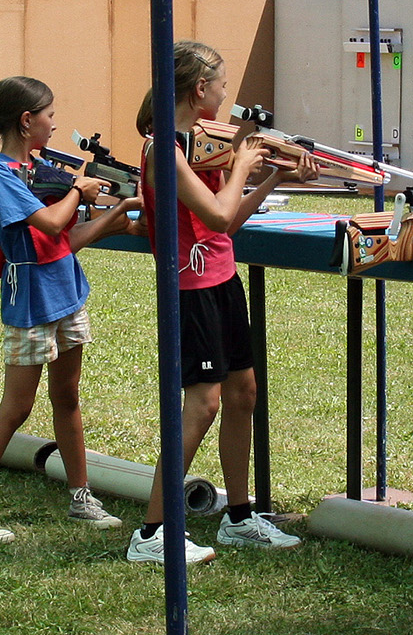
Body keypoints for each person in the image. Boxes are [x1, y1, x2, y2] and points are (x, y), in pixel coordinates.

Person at [128, 40, 312, 567]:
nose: (227, 95)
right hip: (191, 289)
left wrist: (273, 175)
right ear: (199, 89)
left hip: (222, 279)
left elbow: (228, 224)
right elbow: (216, 213)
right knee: (202, 405)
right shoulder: (164, 149)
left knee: (243, 393)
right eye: (223, 86)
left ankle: (238, 517)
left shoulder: (200, 146)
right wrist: (242, 164)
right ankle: (152, 532)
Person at [0, 79, 136, 544]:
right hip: (30, 300)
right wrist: (80, 192)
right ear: (27, 121)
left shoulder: (37, 170)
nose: (54, 123)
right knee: (17, 407)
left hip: (66, 292)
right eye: (49, 115)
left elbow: (64, 243)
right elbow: (50, 222)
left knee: (67, 397)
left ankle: (81, 496)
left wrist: (120, 215)